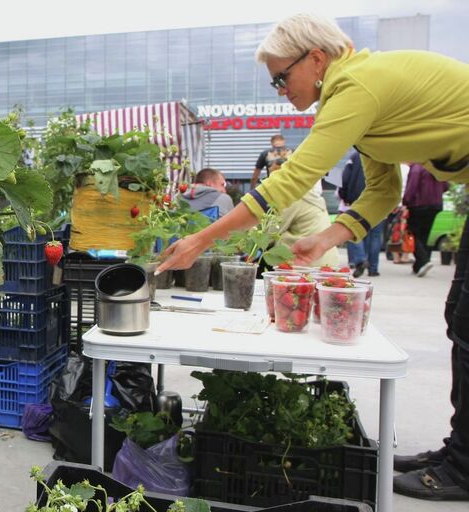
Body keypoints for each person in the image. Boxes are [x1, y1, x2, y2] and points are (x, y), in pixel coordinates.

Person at [156, 13, 469, 501]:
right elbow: (385, 191)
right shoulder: (360, 96)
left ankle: (464, 467)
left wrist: (200, 241)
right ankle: (459, 452)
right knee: (461, 319)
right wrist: (325, 240)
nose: (281, 88)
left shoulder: (357, 87)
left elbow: (291, 179)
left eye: (283, 76)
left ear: (317, 58)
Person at [270, 158, 339, 267]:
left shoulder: (293, 198)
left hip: (306, 263)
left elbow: (271, 232)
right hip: (328, 261)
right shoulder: (311, 194)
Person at [338, 150, 385, 277]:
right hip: (380, 202)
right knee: (375, 236)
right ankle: (373, 268)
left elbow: (345, 178)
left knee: (355, 231)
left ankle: (360, 259)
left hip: (357, 201)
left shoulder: (354, 157)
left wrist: (345, 197)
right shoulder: (383, 153)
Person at [403, 162, 449, 277]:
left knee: (413, 233)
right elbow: (446, 186)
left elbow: (412, 187)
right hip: (436, 204)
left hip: (418, 204)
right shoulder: (436, 166)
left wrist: (406, 202)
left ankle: (423, 261)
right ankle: (419, 265)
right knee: (425, 234)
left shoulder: (417, 168)